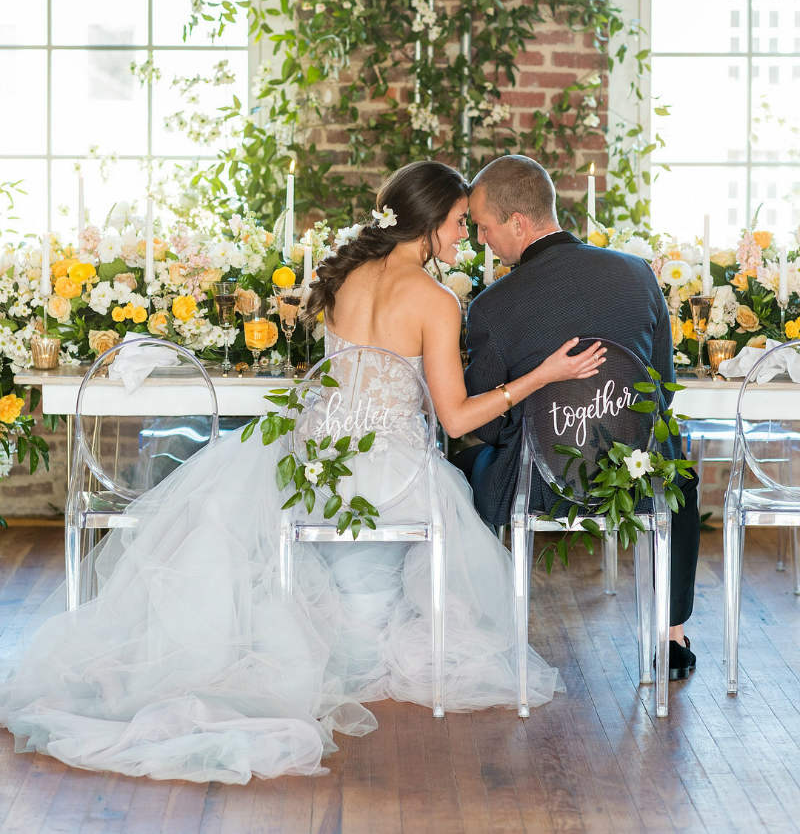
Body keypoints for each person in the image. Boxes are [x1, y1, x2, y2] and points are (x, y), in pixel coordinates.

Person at [0, 161, 604, 785]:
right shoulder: (436, 301)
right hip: (390, 479)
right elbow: (453, 421)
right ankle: (359, 649)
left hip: (315, 467)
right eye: (455, 224)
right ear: (424, 226)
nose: (462, 238)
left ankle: (333, 648)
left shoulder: (342, 281)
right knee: (446, 508)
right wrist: (541, 376)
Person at [456, 154, 700, 681]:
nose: (481, 240)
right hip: (634, 479)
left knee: (458, 457)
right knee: (676, 466)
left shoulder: (492, 305)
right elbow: (660, 386)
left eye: (484, 227)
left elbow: (488, 422)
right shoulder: (636, 274)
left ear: (518, 223)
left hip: (538, 485)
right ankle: (673, 635)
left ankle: (474, 625)